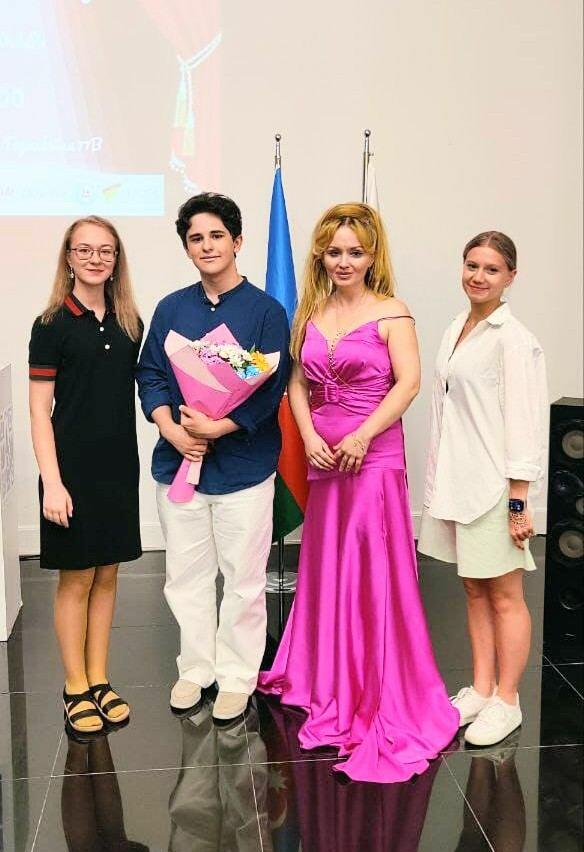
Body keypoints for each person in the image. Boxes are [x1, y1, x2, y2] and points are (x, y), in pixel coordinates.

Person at [258, 202, 458, 783]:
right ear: (321, 254)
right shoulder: (310, 312)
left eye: (355, 252)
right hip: (324, 457)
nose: (343, 261)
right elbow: (297, 382)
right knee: (327, 566)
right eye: (334, 251)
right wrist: (309, 436)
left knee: (370, 570)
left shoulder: (393, 312)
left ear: (372, 257)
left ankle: (374, 688)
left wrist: (363, 436)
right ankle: (328, 676)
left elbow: (409, 383)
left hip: (372, 457)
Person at [136, 192, 290, 721]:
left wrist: (220, 426)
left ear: (237, 241)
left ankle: (237, 675)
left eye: (216, 236)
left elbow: (272, 386)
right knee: (185, 576)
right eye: (196, 238)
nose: (206, 246)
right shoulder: (171, 309)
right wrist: (172, 428)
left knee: (244, 580)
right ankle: (195, 669)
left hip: (244, 469)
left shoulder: (266, 311)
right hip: (179, 463)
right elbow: (151, 374)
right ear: (186, 247)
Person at [418, 231, 547, 747]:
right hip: (459, 481)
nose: (478, 276)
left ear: (511, 276)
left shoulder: (513, 340)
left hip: (495, 488)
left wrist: (518, 500)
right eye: (472, 265)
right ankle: (481, 688)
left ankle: (507, 700)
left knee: (506, 594)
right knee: (473, 589)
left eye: (491, 269)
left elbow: (525, 424)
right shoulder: (459, 326)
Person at [28, 216, 143, 734]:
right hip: (69, 473)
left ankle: (99, 678)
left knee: (108, 575)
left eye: (106, 251)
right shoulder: (50, 324)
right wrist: (52, 482)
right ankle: (75, 685)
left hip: (118, 469)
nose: (96, 259)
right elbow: (39, 409)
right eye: (85, 250)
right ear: (69, 258)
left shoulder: (129, 322)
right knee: (76, 579)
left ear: (116, 260)